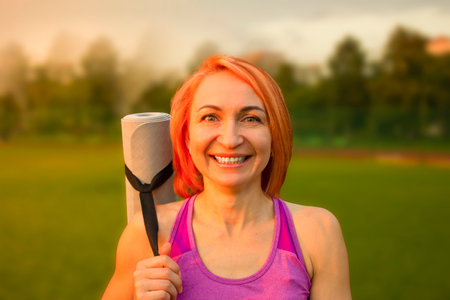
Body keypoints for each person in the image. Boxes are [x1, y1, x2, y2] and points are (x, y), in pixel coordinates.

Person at [102, 55, 351, 299]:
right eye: (211, 117)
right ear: (187, 137)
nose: (230, 140)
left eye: (251, 119)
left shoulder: (317, 232)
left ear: (275, 136)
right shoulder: (148, 233)